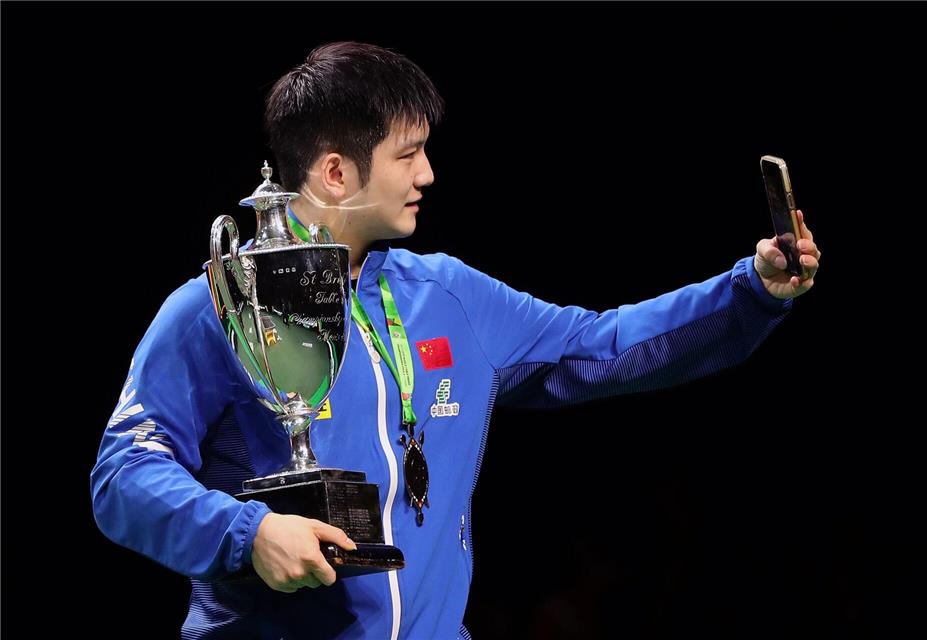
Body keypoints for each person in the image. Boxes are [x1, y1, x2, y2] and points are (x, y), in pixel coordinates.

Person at [91, 41, 821, 639]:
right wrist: (247, 533)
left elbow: (600, 346)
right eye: (408, 154)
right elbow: (124, 472)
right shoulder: (219, 306)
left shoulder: (448, 295)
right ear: (336, 172)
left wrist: (750, 291)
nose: (429, 173)